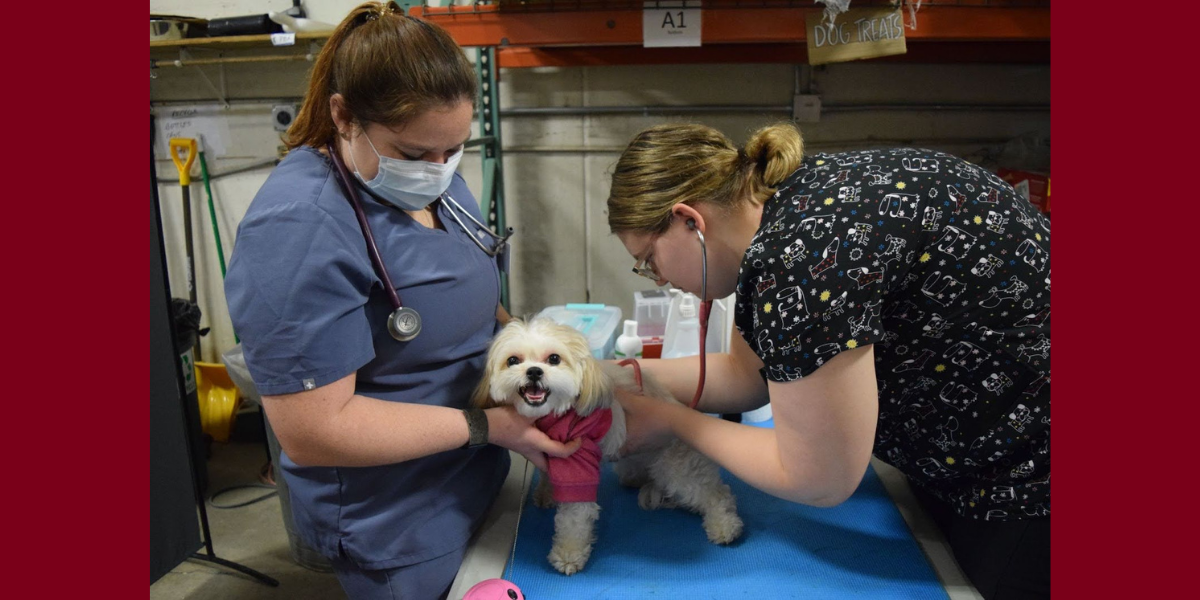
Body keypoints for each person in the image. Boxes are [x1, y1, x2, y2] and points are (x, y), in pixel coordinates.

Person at [224, 3, 579, 598]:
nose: (438, 169)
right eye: (415, 154)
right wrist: (487, 426)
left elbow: (469, 287)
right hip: (394, 516)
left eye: (455, 149)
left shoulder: (441, 176)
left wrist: (536, 355)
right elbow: (314, 430)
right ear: (344, 115)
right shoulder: (298, 226)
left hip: (481, 466)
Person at [606, 123, 1050, 599]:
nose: (658, 279)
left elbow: (818, 478)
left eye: (648, 259)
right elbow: (744, 374)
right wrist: (610, 379)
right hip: (969, 439)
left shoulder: (805, 261)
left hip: (1031, 472)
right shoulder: (786, 208)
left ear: (689, 220)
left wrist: (671, 421)